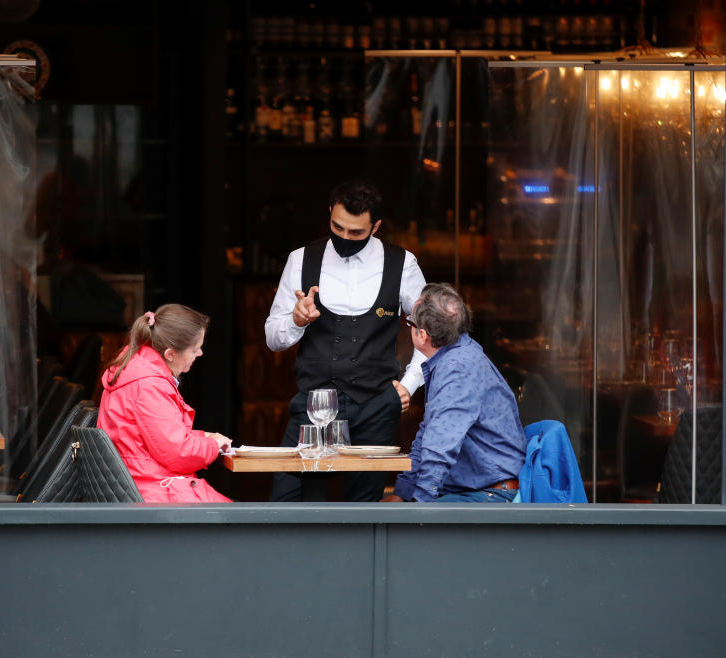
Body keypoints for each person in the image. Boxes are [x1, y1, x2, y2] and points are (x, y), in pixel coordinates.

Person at [265, 179, 428, 502]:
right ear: (330, 214)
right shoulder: (301, 259)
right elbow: (273, 337)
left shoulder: (402, 264)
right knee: (288, 504)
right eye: (337, 227)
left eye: (355, 233)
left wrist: (408, 386)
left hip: (376, 406)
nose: (344, 237)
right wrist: (297, 320)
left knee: (363, 511)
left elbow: (432, 334)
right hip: (313, 407)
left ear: (376, 226)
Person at [382, 283, 527, 503]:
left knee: (405, 534)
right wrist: (402, 494)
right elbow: (428, 435)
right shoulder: (456, 356)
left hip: (490, 493)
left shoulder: (457, 369)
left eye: (410, 321)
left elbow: (439, 448)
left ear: (422, 336)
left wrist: (417, 505)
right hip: (477, 486)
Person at [97, 304, 233, 503]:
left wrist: (203, 437)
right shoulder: (150, 385)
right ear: (170, 354)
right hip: (155, 491)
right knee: (248, 523)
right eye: (195, 349)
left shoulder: (136, 370)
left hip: (141, 483)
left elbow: (155, 438)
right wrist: (213, 445)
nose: (200, 353)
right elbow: (178, 453)